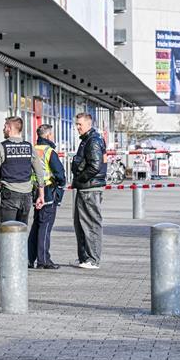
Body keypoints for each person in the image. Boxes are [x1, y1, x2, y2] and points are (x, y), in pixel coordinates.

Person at [0, 116, 45, 224]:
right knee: (22, 231)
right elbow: (39, 173)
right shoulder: (30, 147)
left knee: (7, 231)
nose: (3, 129)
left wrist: (2, 180)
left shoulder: (0, 147)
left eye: (4, 127)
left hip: (9, 194)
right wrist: (41, 195)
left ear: (9, 128)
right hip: (27, 195)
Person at [27, 124, 66, 270]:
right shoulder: (49, 151)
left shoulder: (32, 149)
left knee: (36, 225)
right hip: (48, 192)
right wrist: (60, 186)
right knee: (45, 226)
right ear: (49, 135)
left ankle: (29, 259)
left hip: (34, 190)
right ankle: (43, 260)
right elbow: (60, 174)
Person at [71, 113, 106, 269]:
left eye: (80, 124)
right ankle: (85, 258)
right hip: (86, 188)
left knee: (91, 224)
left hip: (90, 188)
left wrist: (80, 179)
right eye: (76, 124)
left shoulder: (93, 141)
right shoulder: (87, 140)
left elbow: (95, 166)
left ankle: (93, 259)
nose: (77, 127)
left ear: (88, 124)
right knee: (81, 224)